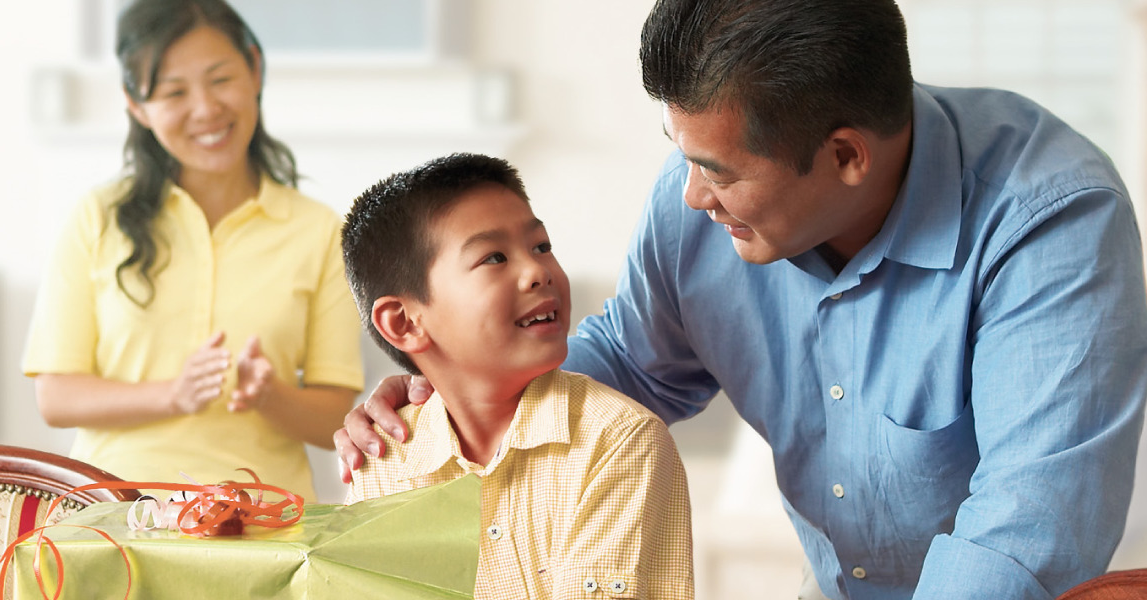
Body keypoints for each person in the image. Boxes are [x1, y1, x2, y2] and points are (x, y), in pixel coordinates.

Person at [335, 0, 1147, 598]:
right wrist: (444, 391)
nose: (692, 197)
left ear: (845, 157)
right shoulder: (698, 196)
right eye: (683, 157)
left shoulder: (1048, 220)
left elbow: (1023, 527)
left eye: (719, 172)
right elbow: (627, 365)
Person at [21, 0, 364, 502]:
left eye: (220, 79)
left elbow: (336, 415)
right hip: (116, 516)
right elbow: (55, 398)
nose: (205, 109)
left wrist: (270, 396)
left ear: (255, 69)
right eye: (174, 92)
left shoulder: (318, 230)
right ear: (137, 105)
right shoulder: (98, 216)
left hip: (265, 521)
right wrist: (173, 395)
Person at [339, 153, 694, 599]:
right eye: (494, 258)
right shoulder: (381, 462)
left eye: (541, 246)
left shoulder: (620, 441)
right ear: (404, 323)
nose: (537, 272)